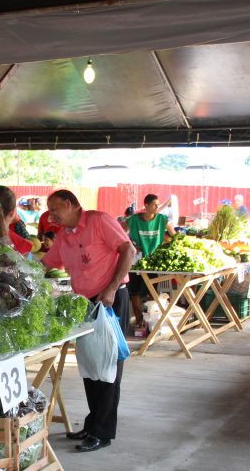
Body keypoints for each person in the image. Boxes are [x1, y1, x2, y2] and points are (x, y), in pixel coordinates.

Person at [42, 188, 136, 453]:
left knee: (108, 368)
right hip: (85, 304)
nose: (52, 216)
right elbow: (46, 262)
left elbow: (128, 250)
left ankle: (102, 432)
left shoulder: (98, 221)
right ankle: (92, 423)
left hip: (110, 299)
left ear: (71, 205)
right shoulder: (64, 236)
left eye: (55, 209)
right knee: (91, 367)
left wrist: (111, 287)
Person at [127, 194, 175, 329]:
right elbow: (119, 231)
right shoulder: (134, 220)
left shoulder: (162, 220)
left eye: (157, 205)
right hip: (136, 262)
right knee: (134, 292)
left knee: (151, 292)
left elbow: (174, 234)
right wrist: (130, 244)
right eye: (154, 205)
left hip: (153, 262)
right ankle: (138, 320)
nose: (157, 207)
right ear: (146, 206)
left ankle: (150, 322)